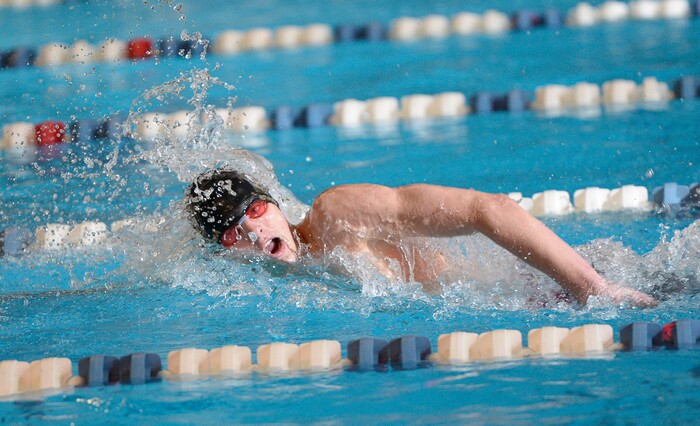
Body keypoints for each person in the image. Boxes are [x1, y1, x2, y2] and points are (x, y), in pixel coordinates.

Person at [184, 168, 657, 307]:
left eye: (256, 209)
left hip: (559, 287)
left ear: (276, 204)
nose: (252, 227)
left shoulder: (338, 215)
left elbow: (488, 208)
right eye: (230, 232)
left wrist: (592, 287)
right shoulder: (272, 291)